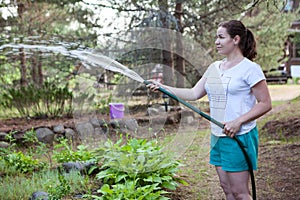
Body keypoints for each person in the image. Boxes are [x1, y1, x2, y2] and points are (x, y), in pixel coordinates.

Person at [147, 20, 272, 200]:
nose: (216, 42)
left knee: (240, 192)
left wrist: (238, 121)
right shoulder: (215, 67)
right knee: (227, 189)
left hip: (239, 136)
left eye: (221, 37)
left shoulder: (250, 69)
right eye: (216, 37)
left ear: (236, 39)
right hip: (218, 135)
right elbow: (194, 92)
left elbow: (265, 103)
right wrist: (163, 87)